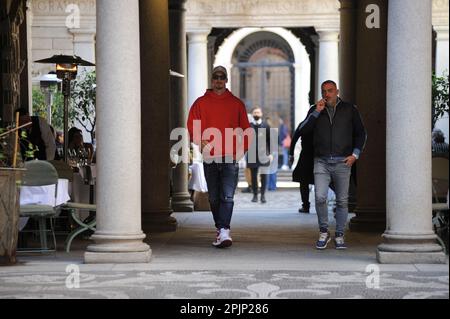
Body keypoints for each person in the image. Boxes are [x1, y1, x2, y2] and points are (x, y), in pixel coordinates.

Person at [187, 66, 252, 248]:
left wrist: (242, 150)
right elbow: (192, 125)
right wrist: (200, 141)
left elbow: (246, 130)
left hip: (230, 157)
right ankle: (220, 229)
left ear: (226, 80)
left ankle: (224, 230)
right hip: (210, 157)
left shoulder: (236, 104)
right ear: (211, 79)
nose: (218, 80)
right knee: (214, 198)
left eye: (222, 77)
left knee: (228, 196)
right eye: (215, 77)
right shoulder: (200, 103)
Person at [297, 80, 367, 250]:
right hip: (321, 161)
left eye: (330, 90)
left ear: (337, 91)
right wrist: (316, 113)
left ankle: (340, 234)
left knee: (342, 201)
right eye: (324, 91)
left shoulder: (350, 109)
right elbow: (302, 130)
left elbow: (361, 134)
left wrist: (355, 155)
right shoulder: (315, 110)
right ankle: (324, 231)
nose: (326, 94)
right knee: (320, 197)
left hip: (343, 161)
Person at [247, 107, 273, 204]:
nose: (256, 114)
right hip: (252, 154)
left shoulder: (266, 125)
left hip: (263, 154)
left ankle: (263, 195)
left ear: (261, 114)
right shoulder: (249, 126)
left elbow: (270, 140)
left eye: (258, 112)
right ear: (252, 114)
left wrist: (270, 153)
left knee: (264, 176)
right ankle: (255, 195)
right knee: (253, 176)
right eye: (255, 112)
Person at [290, 119, 314, 214]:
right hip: (319, 155)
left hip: (306, 156)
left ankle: (305, 205)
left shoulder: (304, 124)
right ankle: (339, 204)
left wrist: (291, 154)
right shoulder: (322, 123)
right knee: (329, 180)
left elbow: (295, 138)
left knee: (303, 181)